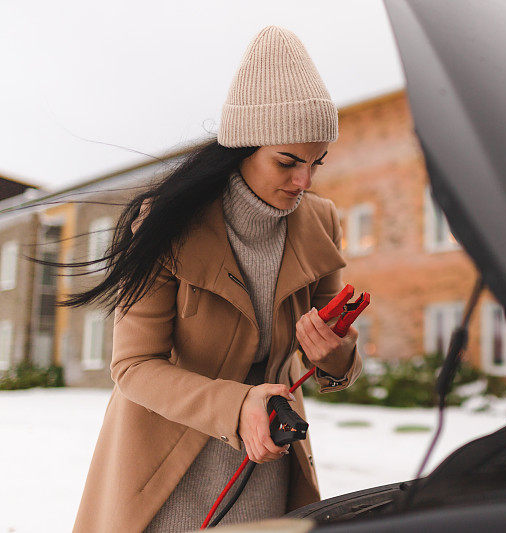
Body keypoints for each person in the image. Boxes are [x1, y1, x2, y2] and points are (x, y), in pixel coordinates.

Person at [67, 26, 363, 532]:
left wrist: (334, 356)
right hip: (163, 473)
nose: (303, 182)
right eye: (287, 161)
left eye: (316, 163)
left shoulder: (322, 223)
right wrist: (237, 404)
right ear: (241, 148)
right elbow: (133, 366)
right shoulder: (168, 222)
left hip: (267, 466)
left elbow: (325, 361)